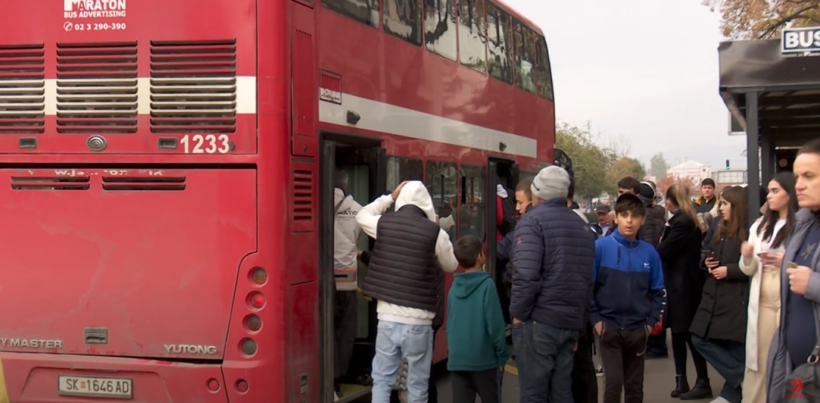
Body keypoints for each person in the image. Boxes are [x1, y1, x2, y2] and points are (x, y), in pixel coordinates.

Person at [355, 181, 459, 403]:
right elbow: (451, 265)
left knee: (382, 381)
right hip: (419, 324)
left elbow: (362, 216)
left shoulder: (384, 223)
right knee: (417, 385)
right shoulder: (435, 233)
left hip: (387, 320)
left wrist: (388, 198)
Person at [510, 165, 595, 403]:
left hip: (539, 320)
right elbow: (587, 281)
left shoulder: (531, 222)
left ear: (537, 194)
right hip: (569, 322)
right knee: (561, 393)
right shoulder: (582, 226)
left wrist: (518, 314)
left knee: (534, 394)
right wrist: (578, 325)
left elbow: (526, 275)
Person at [590, 193, 665, 403]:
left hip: (637, 329)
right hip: (608, 327)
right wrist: (596, 320)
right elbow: (589, 288)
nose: (629, 220)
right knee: (613, 384)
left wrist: (649, 324)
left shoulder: (650, 253)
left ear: (642, 219)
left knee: (634, 387)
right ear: (616, 217)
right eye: (624, 215)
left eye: (634, 216)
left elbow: (659, 292)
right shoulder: (601, 248)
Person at [767, 139, 820, 403]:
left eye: (809, 176)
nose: (799, 184)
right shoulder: (803, 225)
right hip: (798, 370)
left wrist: (813, 284)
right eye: (797, 176)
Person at [739, 172, 797, 403]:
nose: (769, 197)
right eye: (769, 191)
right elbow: (748, 270)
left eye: (776, 191)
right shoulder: (760, 226)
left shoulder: (802, 225)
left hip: (789, 297)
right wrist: (747, 256)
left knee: (789, 358)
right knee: (760, 360)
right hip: (762, 299)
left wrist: (785, 263)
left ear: (789, 194)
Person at [690, 186, 749, 403]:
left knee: (733, 347)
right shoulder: (719, 229)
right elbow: (705, 252)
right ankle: (741, 381)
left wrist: (730, 270)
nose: (720, 208)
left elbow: (754, 267)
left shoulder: (747, 231)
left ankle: (734, 391)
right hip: (713, 296)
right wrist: (706, 262)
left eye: (724, 204)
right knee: (699, 338)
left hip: (734, 298)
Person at [657, 184, 712, 399]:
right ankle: (683, 379)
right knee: (679, 333)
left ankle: (700, 380)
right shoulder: (686, 220)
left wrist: (662, 241)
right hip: (681, 284)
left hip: (684, 286)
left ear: (671, 200)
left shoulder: (681, 222)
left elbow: (665, 250)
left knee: (687, 333)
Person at [447, 235, 509, 403]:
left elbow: (451, 323)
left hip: (457, 359)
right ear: (479, 256)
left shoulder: (454, 287)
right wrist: (502, 356)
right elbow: (495, 325)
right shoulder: (486, 285)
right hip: (484, 360)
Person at [332, 170, 363, 401]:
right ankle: (339, 379)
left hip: (325, 281)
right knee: (345, 332)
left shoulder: (318, 204)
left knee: (328, 332)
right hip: (349, 280)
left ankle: (327, 377)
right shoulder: (359, 210)